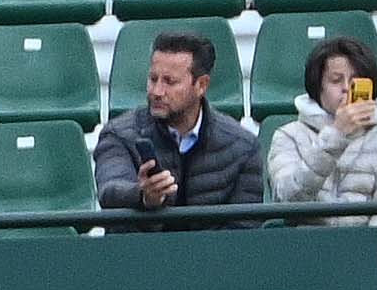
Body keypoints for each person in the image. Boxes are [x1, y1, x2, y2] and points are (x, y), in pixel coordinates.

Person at [267, 33, 377, 269]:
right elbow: (288, 196)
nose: (347, 89)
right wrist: (335, 136)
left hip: (372, 264)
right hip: (307, 262)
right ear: (318, 87)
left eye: (356, 80)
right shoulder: (289, 136)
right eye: (336, 80)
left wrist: (359, 259)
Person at [96, 27, 269, 222]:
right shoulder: (119, 134)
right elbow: (109, 191)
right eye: (153, 79)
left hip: (214, 252)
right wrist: (143, 196)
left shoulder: (243, 147)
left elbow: (244, 231)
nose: (157, 91)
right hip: (140, 251)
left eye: (169, 82)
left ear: (201, 85)